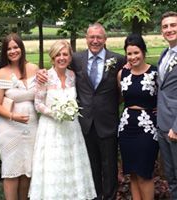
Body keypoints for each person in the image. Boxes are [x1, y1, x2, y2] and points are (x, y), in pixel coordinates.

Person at [37, 23, 126, 200]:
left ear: (105, 39)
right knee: (89, 168)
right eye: (91, 37)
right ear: (86, 39)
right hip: (83, 124)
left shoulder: (118, 60)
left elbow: (125, 88)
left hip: (107, 122)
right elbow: (57, 68)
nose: (95, 41)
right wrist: (40, 73)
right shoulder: (76, 59)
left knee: (109, 169)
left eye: (99, 37)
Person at [29, 40, 96, 200]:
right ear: (52, 57)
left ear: (70, 57)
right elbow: (37, 104)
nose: (61, 57)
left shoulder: (72, 76)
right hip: (51, 130)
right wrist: (55, 113)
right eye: (58, 54)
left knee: (71, 167)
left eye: (65, 54)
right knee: (54, 167)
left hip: (71, 129)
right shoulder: (45, 77)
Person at [0, 33, 38, 200]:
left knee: (27, 170)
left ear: (21, 48)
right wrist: (12, 116)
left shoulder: (33, 68)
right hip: (9, 128)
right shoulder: (2, 73)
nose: (13, 51)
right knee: (11, 171)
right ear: (5, 52)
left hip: (32, 127)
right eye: (9, 48)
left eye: (16, 47)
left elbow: (43, 93)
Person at [117, 34, 159, 200]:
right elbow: (120, 98)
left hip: (147, 129)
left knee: (144, 173)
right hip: (127, 127)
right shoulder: (123, 74)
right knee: (132, 174)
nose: (133, 57)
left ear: (143, 52)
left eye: (136, 52)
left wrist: (160, 109)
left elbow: (166, 96)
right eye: (129, 53)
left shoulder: (155, 73)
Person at [157, 11, 177, 200]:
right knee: (170, 177)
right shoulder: (165, 54)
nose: (169, 29)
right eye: (165, 26)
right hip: (163, 125)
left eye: (173, 25)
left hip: (175, 128)